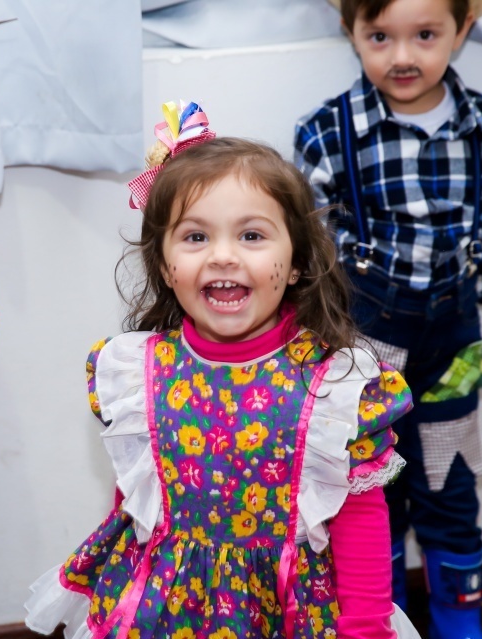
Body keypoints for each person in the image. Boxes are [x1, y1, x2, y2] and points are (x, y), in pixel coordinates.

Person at [25, 101, 420, 639]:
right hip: (166, 612)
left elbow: (360, 516)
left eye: (251, 236)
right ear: (165, 265)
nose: (223, 256)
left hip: (288, 613)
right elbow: (137, 496)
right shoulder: (138, 373)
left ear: (297, 262)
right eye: (196, 237)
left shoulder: (333, 387)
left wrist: (366, 629)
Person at [293, 0, 482, 637]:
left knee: (448, 483)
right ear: (350, 31)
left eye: (425, 34)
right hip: (363, 343)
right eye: (380, 36)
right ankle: (379, 621)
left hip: (455, 344)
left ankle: (459, 623)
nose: (402, 57)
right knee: (369, 490)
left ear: (463, 29)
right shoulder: (326, 132)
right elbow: (310, 256)